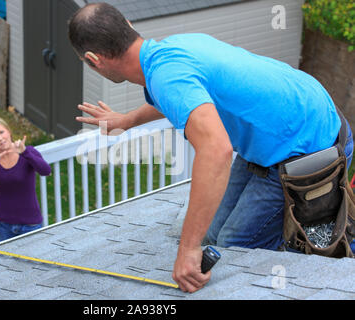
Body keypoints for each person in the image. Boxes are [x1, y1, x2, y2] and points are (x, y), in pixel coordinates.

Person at [67, 3, 353, 293]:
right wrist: (127, 121)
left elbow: (217, 150)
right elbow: (181, 98)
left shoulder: (166, 75)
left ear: (93, 60)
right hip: (289, 126)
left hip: (309, 144)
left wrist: (187, 250)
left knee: (233, 251)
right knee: (212, 234)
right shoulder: (170, 50)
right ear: (128, 24)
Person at [0, 117, 51, 241]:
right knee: (6, 261)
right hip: (2, 224)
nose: (0, 138)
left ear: (9, 131)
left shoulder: (28, 151)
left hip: (30, 224)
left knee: (33, 260)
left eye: (1, 132)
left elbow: (45, 171)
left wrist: (25, 153)